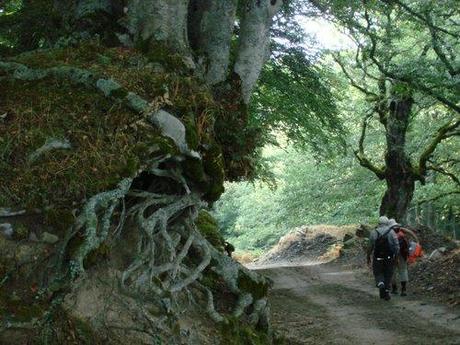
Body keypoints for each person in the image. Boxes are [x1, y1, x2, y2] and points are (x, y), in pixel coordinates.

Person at [367, 216, 400, 301]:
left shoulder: (374, 232)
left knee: (378, 273)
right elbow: (397, 246)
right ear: (387, 223)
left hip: (377, 257)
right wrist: (396, 256)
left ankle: (380, 283)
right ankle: (386, 291)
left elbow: (370, 246)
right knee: (388, 274)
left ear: (379, 223)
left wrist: (368, 256)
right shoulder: (392, 232)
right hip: (389, 257)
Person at [391, 226, 419, 296]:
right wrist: (417, 241)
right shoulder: (401, 229)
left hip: (392, 254)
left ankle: (394, 289)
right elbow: (411, 233)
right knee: (403, 270)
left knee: (392, 271)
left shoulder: (389, 232)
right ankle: (403, 290)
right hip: (402, 254)